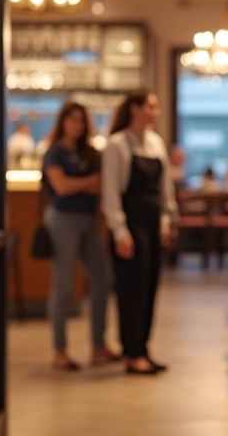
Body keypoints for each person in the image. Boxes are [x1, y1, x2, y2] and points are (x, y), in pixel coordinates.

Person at [101, 90, 178, 375]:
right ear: (135, 109)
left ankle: (143, 347)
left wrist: (167, 220)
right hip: (130, 224)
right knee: (131, 289)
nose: (157, 112)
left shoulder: (155, 142)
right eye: (152, 106)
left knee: (150, 287)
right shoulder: (117, 144)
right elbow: (110, 193)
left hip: (152, 222)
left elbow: (165, 188)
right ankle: (131, 351)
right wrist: (120, 231)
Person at [41, 102, 120, 371]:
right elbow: (61, 187)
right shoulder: (54, 152)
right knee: (63, 286)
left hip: (89, 220)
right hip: (62, 220)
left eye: (81, 120)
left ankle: (99, 344)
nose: (77, 125)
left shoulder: (91, 153)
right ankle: (60, 349)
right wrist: (86, 183)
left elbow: (102, 185)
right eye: (72, 120)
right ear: (63, 122)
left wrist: (79, 184)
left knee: (102, 281)